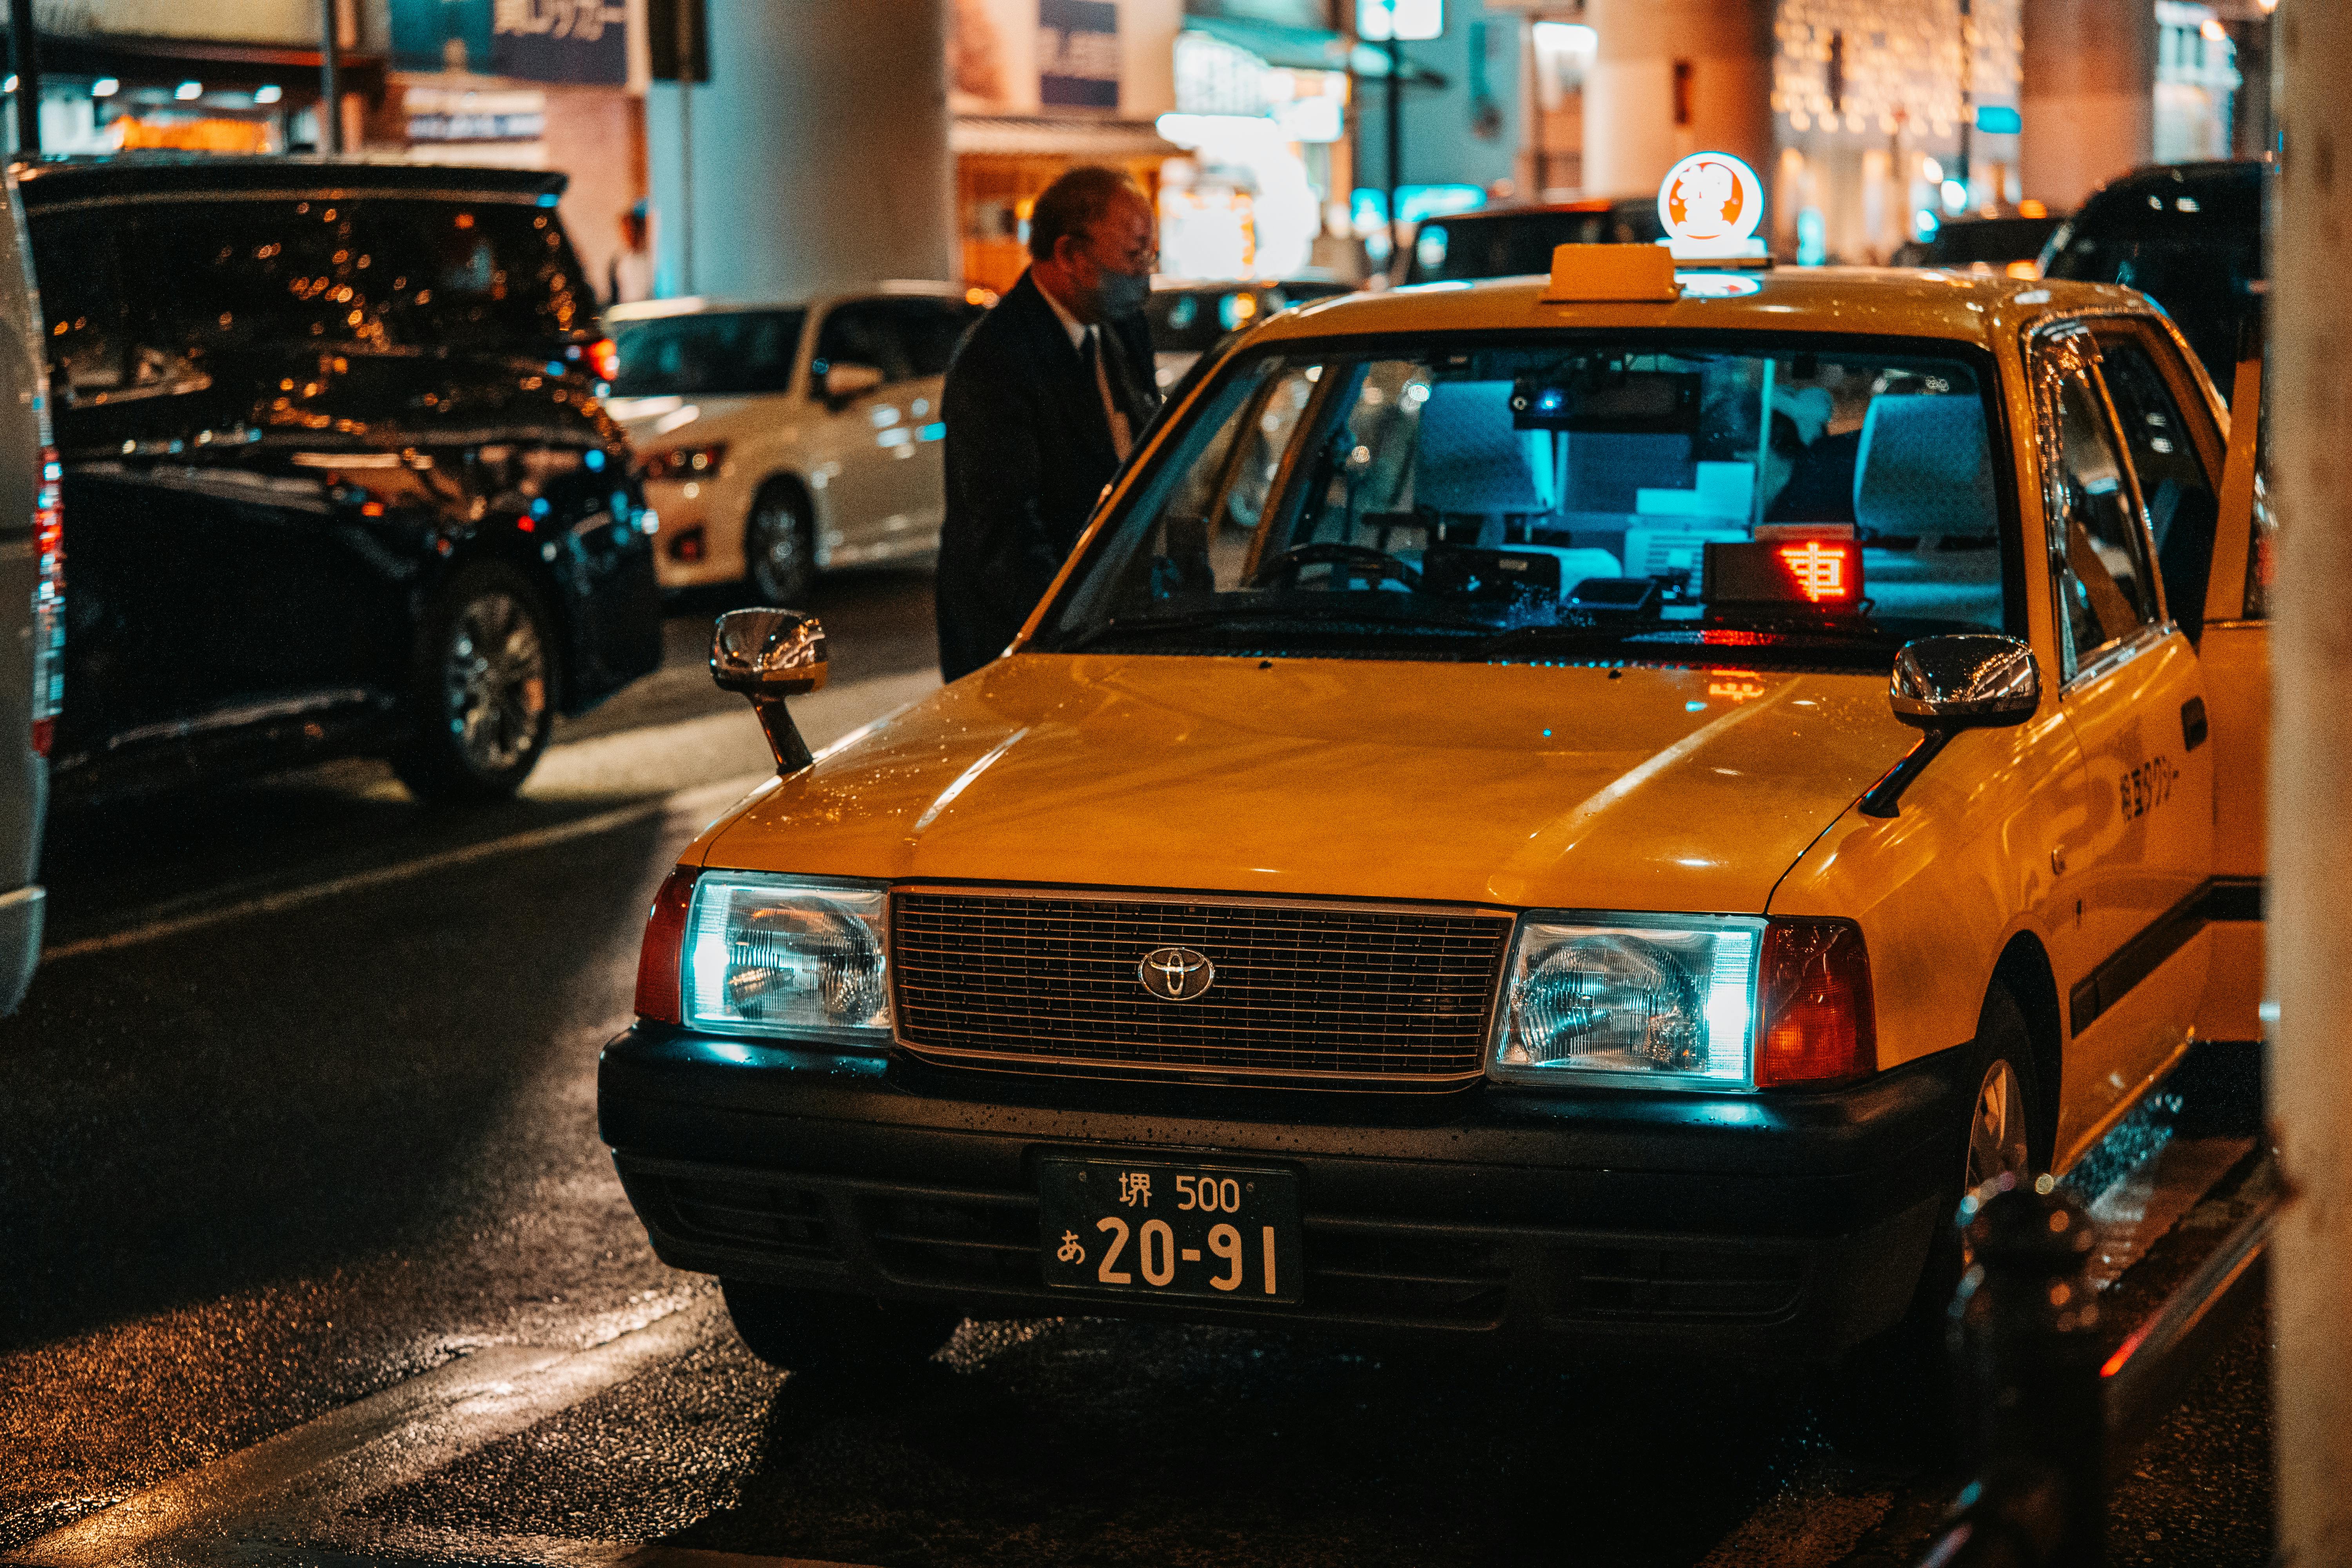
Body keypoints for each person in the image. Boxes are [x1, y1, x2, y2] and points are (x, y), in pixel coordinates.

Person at [935, 166, 1161, 682]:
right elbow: (1007, 528)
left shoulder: (1122, 330)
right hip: (1023, 648)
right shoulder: (996, 360)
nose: (1146, 272)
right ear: (1072, 257)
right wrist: (1064, 632)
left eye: (1150, 253)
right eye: (1133, 255)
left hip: (1117, 630)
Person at [608, 204, 653, 307]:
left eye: (632, 230)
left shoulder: (651, 260)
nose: (629, 235)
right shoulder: (618, 263)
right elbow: (614, 296)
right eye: (626, 231)